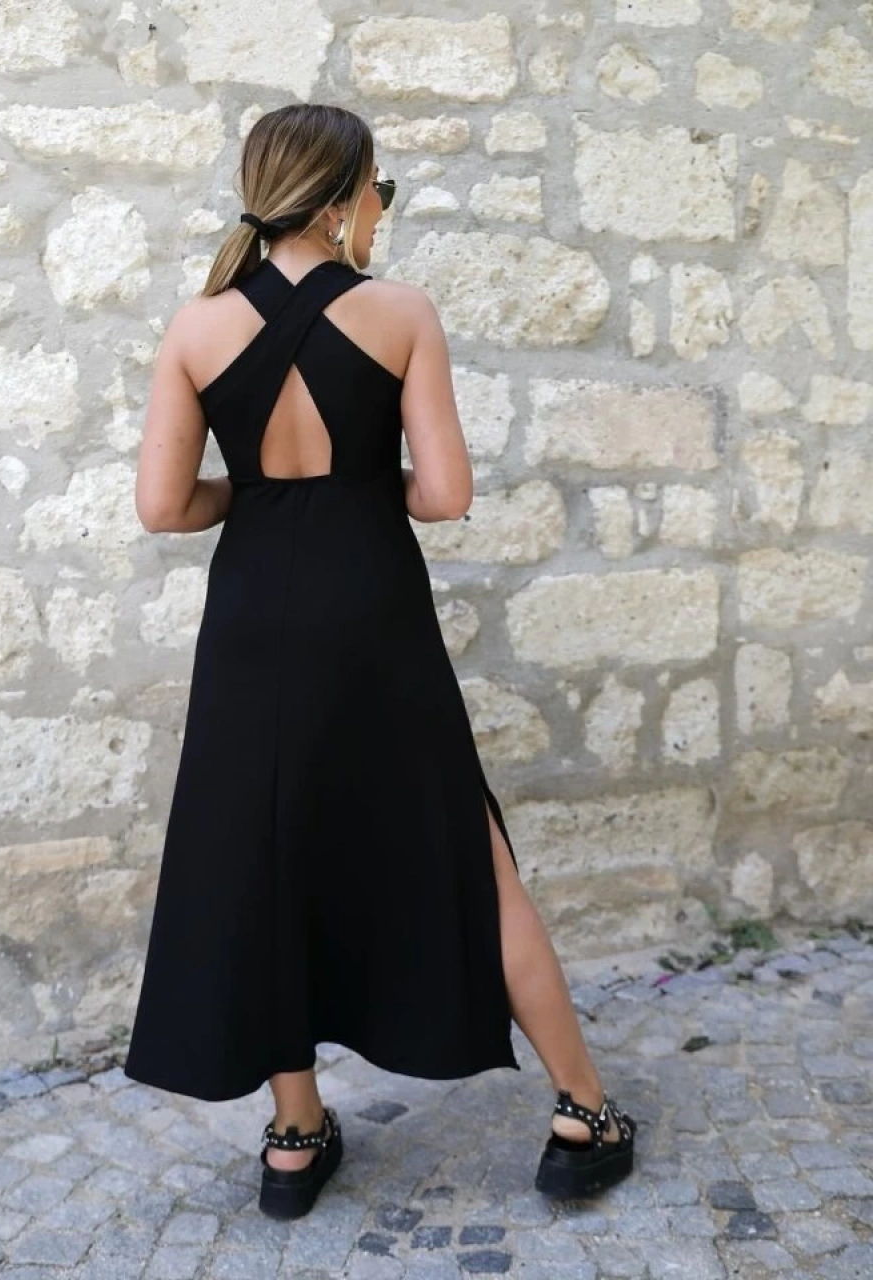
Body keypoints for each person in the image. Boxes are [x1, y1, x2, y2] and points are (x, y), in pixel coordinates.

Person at [122, 103, 636, 1219]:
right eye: (378, 194)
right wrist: (357, 490)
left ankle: (294, 1135)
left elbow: (164, 507)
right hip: (372, 609)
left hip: (252, 617)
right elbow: (443, 495)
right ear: (337, 203)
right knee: (466, 849)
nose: (379, 213)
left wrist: (258, 495)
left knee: (267, 852)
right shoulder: (399, 312)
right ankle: (581, 1111)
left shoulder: (196, 327)